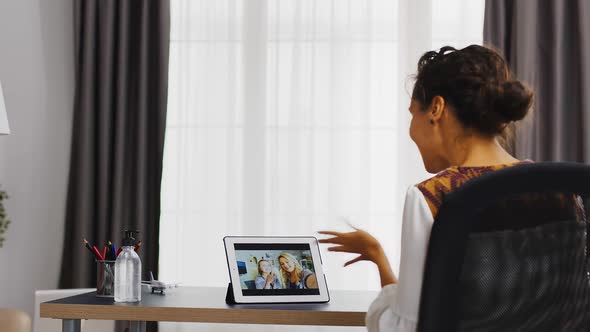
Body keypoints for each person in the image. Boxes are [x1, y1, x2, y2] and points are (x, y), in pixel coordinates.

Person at [318, 45, 534, 331]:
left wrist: (380, 283)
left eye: (412, 113)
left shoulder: (433, 197)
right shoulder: (558, 190)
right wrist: (378, 255)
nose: (410, 130)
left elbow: (406, 327)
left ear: (435, 108)